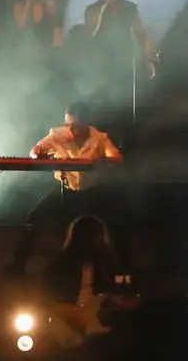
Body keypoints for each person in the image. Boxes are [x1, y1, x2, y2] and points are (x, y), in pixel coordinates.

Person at [41, 215, 139, 361]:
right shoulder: (63, 264)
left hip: (89, 325)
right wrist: (70, 315)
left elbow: (101, 295)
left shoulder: (102, 263)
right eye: (95, 235)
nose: (99, 240)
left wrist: (118, 303)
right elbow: (48, 294)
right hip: (68, 323)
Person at [11, 101, 123, 276]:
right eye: (69, 124)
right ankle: (17, 266)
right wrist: (39, 154)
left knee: (115, 222)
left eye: (76, 125)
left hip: (92, 191)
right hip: (66, 190)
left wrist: (103, 161)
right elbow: (34, 151)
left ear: (86, 122)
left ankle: (121, 271)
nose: (71, 129)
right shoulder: (57, 135)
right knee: (34, 217)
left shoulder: (100, 138)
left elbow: (116, 156)